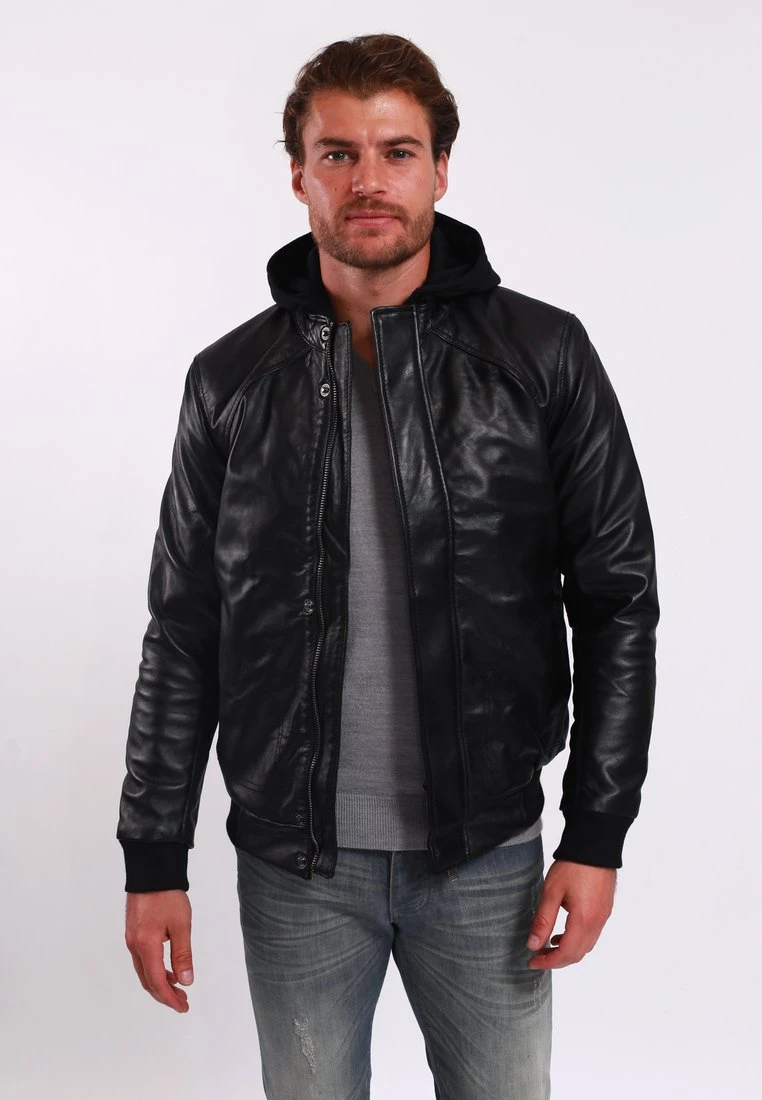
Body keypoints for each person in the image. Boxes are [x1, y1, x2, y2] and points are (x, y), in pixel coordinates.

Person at [118, 32, 659, 1099]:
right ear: (299, 174)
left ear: (440, 170)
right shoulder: (230, 380)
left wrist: (596, 835)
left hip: (488, 853)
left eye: (398, 151)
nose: (369, 179)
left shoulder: (542, 356)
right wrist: (153, 856)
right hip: (295, 867)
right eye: (339, 153)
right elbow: (183, 626)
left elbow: (618, 602)